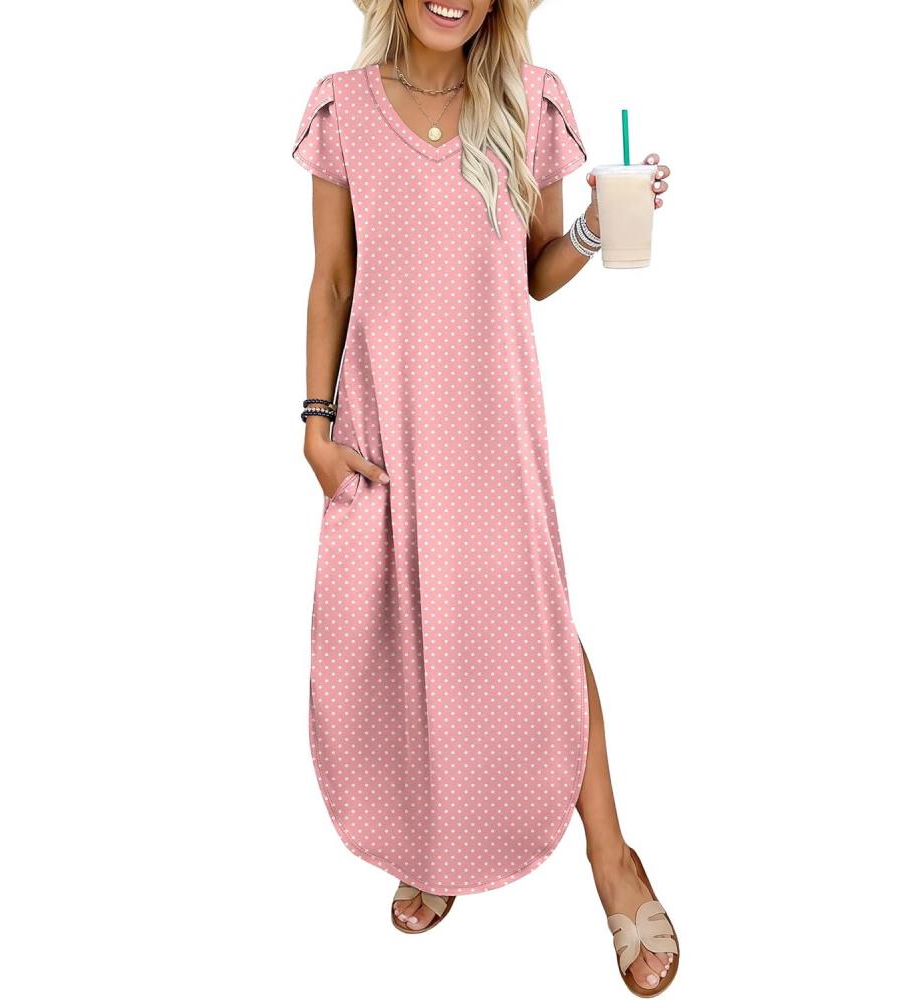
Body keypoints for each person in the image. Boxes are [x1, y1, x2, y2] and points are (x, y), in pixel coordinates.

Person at [292, 1, 674, 994]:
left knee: (532, 627)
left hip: (492, 421)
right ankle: (436, 838)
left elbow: (537, 273)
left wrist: (597, 223)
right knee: (411, 632)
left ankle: (612, 858)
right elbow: (332, 278)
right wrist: (315, 426)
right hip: (386, 422)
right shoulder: (341, 108)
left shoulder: (530, 102)